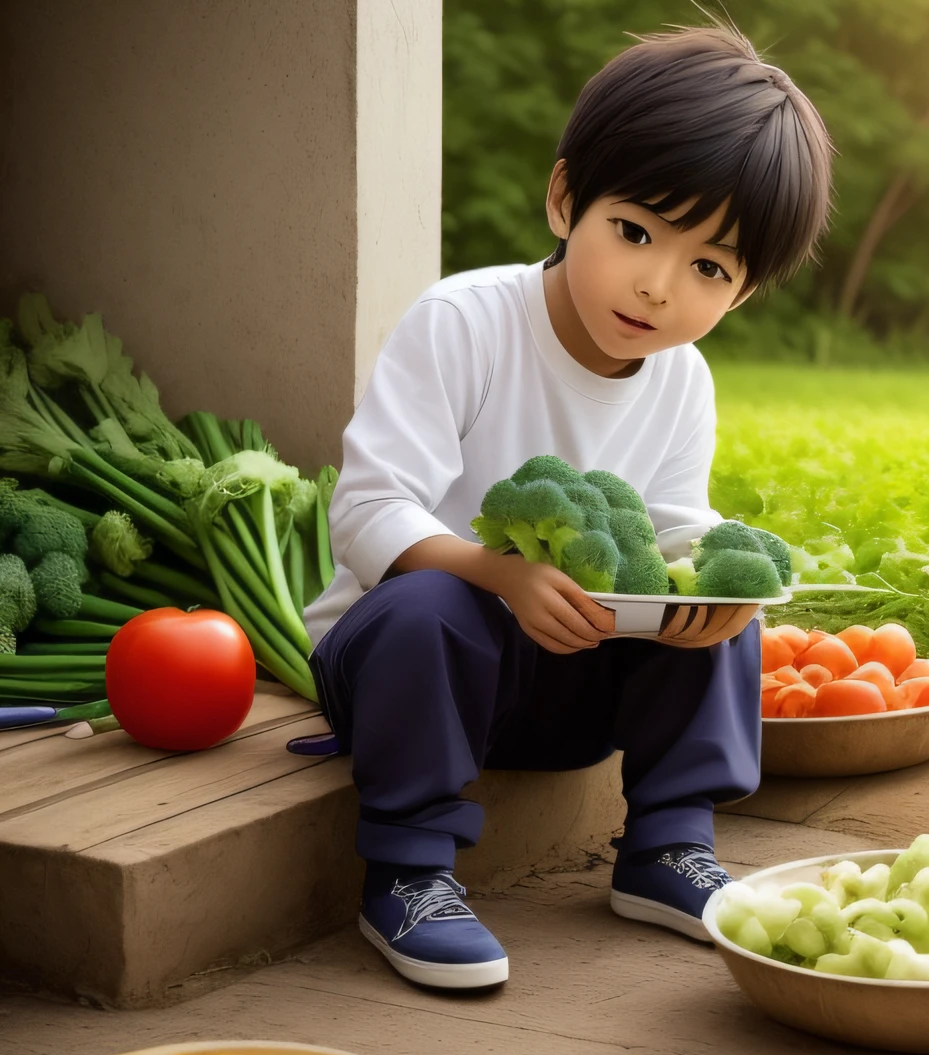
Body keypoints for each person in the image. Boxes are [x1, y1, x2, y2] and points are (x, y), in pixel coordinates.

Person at [304, 24, 834, 990]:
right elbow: (370, 508)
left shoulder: (683, 380)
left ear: (743, 292)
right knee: (434, 608)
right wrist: (497, 572)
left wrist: (716, 569)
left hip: (576, 680)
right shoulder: (465, 323)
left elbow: (673, 521)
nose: (655, 285)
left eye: (708, 268)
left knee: (723, 608)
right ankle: (409, 873)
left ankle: (669, 844)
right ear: (563, 199)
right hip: (407, 681)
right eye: (634, 231)